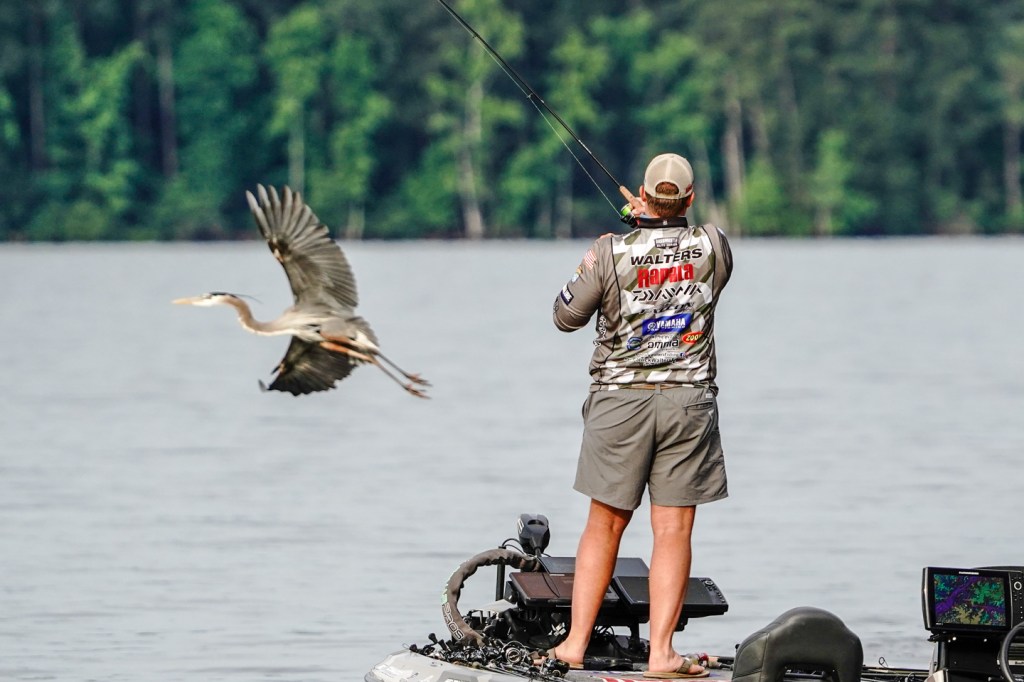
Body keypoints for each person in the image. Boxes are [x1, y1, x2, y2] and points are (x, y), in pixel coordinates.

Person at [549, 153, 733, 679]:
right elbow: (682, 246)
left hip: (619, 404)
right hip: (688, 404)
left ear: (645, 195)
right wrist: (655, 223)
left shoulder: (609, 251)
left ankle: (574, 645)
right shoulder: (715, 245)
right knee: (673, 529)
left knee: (604, 524)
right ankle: (662, 655)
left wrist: (623, 240)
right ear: (691, 198)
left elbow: (565, 316)